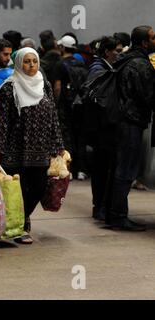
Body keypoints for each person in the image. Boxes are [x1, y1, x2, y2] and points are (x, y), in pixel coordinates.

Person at [0, 48, 64, 244]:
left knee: (39, 187)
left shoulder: (44, 84)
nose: (31, 65)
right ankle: (20, 227)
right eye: (26, 61)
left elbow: (53, 116)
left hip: (41, 148)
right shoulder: (9, 88)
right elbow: (2, 120)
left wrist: (59, 145)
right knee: (20, 190)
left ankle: (22, 219)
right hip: (16, 147)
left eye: (34, 61)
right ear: (18, 64)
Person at [105, 26, 155, 231]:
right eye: (153, 37)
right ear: (144, 42)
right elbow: (149, 96)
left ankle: (112, 213)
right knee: (126, 170)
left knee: (119, 169)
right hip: (130, 122)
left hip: (119, 120)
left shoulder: (124, 59)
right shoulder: (140, 64)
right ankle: (118, 217)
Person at [84, 36, 120, 222]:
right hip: (102, 131)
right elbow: (100, 102)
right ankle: (100, 207)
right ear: (107, 51)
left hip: (99, 130)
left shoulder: (100, 68)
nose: (119, 54)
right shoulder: (100, 70)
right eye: (118, 51)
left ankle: (100, 206)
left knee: (102, 170)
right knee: (102, 170)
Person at [53, 35, 88, 181]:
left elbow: (57, 87)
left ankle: (69, 169)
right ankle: (82, 170)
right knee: (80, 137)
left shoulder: (60, 64)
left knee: (66, 137)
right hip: (80, 105)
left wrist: (55, 103)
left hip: (65, 106)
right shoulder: (81, 64)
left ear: (62, 47)